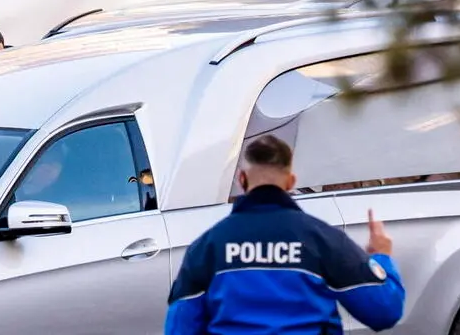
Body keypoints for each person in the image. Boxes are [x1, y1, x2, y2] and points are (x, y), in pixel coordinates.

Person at [165, 134, 405, 335]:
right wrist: (381, 257)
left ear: (241, 180)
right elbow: (384, 311)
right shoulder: (323, 240)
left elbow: (179, 329)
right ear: (291, 181)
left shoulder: (207, 248)